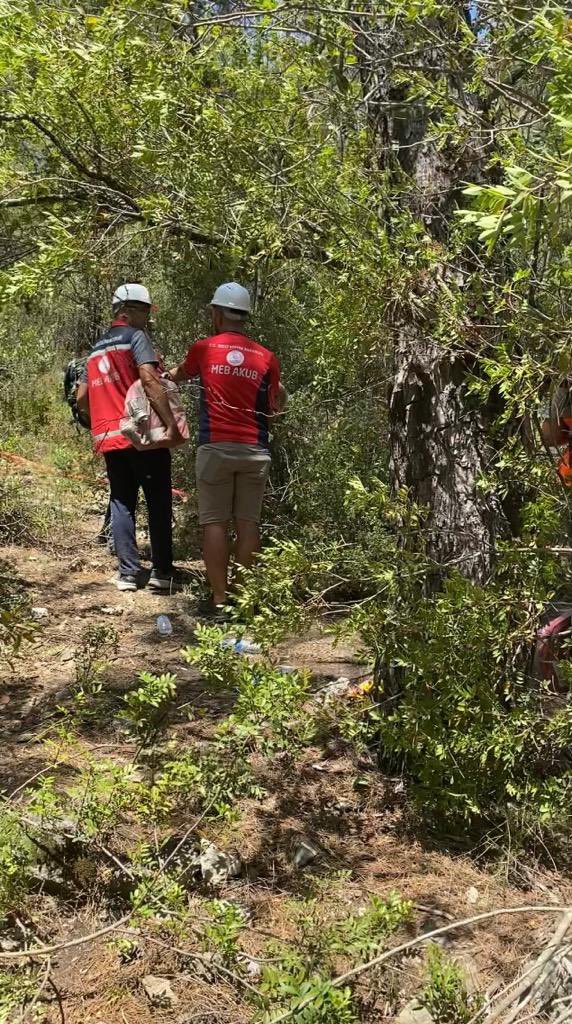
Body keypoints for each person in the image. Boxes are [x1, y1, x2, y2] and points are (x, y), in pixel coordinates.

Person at [167, 281, 287, 611]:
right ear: (245, 316)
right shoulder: (267, 357)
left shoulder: (204, 349)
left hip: (215, 448)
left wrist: (156, 373)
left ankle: (220, 600)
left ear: (218, 314)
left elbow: (176, 376)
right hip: (255, 450)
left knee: (215, 523)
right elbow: (274, 410)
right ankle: (243, 602)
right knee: (248, 523)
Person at [77, 283, 183, 592]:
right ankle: (162, 572)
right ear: (128, 311)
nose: (147, 320)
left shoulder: (96, 348)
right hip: (142, 436)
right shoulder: (136, 338)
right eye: (145, 312)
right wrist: (170, 425)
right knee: (158, 501)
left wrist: (97, 417)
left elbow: (82, 395)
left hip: (109, 436)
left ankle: (127, 574)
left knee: (122, 501)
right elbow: (150, 381)